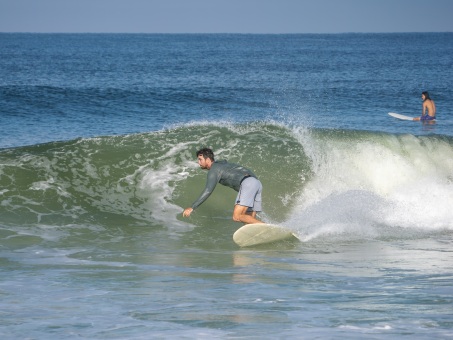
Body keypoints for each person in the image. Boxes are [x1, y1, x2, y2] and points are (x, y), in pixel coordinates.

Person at [183, 148, 263, 224]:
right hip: (256, 183)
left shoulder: (213, 170)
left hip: (248, 184)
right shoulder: (221, 164)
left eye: (200, 159)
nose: (198, 162)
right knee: (249, 221)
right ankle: (262, 233)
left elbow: (208, 190)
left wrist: (192, 207)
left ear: (207, 160)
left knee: (237, 216)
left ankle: (268, 226)